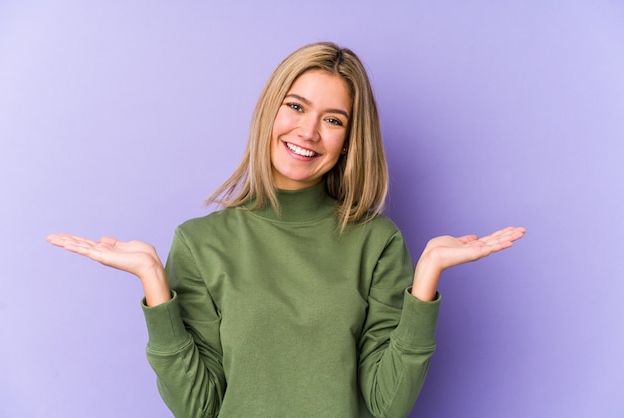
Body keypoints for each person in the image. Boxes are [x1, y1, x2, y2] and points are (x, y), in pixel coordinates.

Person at [47, 42, 525, 418]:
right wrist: (154, 283)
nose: (309, 132)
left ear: (348, 141)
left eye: (333, 120)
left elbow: (387, 404)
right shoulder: (200, 243)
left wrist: (427, 280)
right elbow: (198, 408)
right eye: (296, 107)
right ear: (269, 111)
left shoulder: (376, 242)